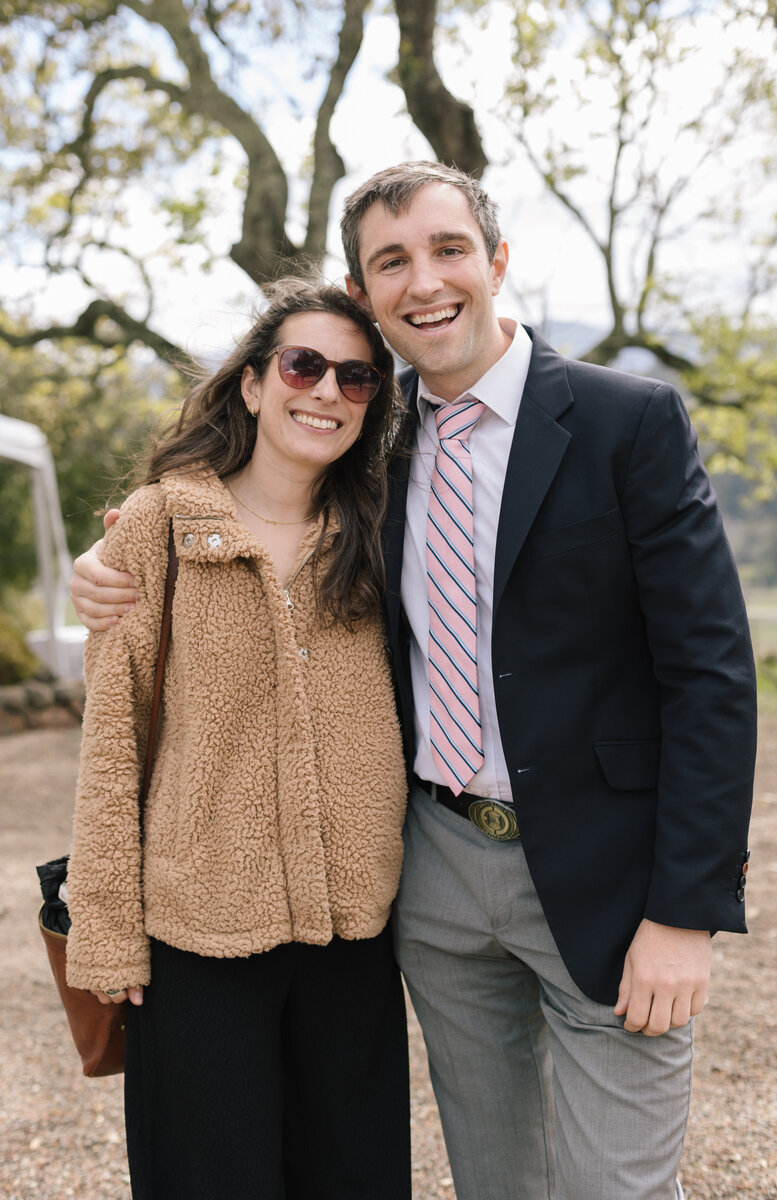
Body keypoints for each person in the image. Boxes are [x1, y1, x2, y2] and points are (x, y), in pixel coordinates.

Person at [72, 162, 757, 1200]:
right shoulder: (364, 437)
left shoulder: (628, 423)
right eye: (391, 261)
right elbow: (252, 516)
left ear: (496, 263)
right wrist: (117, 553)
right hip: (431, 876)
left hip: (608, 877)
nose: (423, 281)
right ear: (363, 292)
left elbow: (709, 673)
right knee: (494, 1181)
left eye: (447, 250)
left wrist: (686, 911)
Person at [65, 277, 411, 1200]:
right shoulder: (158, 526)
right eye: (303, 364)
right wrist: (105, 935)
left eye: (357, 377)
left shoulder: (382, 531)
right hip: (197, 940)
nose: (327, 390)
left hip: (356, 940)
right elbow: (112, 745)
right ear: (254, 384)